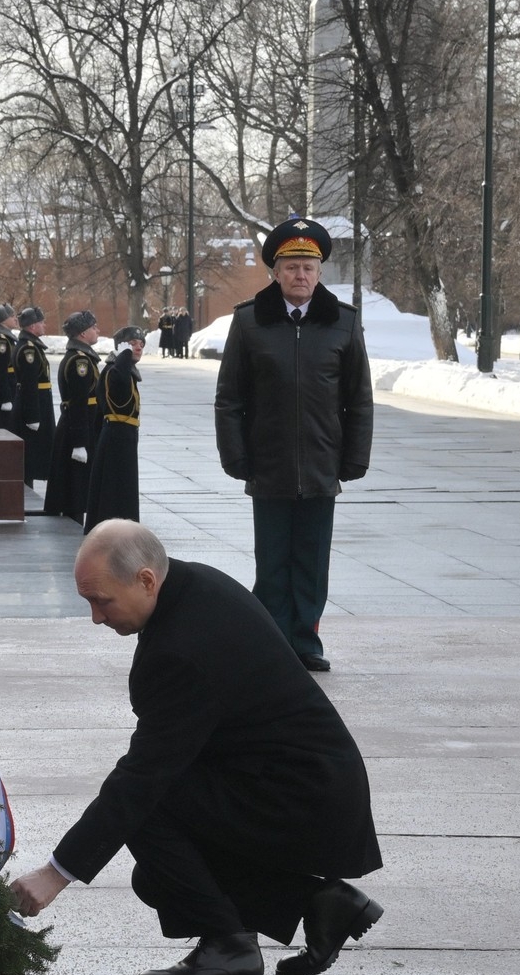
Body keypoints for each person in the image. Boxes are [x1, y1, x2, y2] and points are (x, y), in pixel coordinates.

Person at [11, 520, 383, 975]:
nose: (96, 618)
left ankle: (230, 950)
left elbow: (143, 779)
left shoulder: (181, 648)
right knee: (161, 878)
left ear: (146, 580)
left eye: (101, 600)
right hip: (301, 779)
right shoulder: (194, 584)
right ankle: (316, 904)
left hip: (302, 796)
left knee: (149, 805)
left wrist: (55, 873)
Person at [213, 216, 372, 673]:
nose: (300, 275)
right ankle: (273, 641)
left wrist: (355, 457)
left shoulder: (343, 323)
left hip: (322, 465)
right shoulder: (249, 322)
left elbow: (358, 398)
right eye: (291, 267)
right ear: (276, 273)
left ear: (319, 272)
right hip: (270, 465)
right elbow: (230, 398)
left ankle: (306, 641)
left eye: (308, 266)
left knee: (312, 561)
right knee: (273, 561)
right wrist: (237, 456)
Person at [44, 309, 103, 523]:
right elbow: (79, 403)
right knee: (76, 484)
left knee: (75, 482)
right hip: (78, 427)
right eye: (94, 328)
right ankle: (73, 524)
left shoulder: (83, 358)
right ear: (82, 334)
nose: (98, 331)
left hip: (78, 425)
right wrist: (80, 442)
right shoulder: (81, 362)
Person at [85, 326, 143, 529]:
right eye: (133, 344)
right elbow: (119, 385)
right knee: (115, 490)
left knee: (123, 490)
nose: (138, 348)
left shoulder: (123, 370)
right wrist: (124, 356)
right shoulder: (115, 371)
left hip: (122, 437)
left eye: (141, 344)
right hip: (117, 438)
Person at [10, 305, 55, 487]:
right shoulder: (29, 349)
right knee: (30, 454)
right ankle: (26, 491)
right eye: (41, 322)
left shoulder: (32, 346)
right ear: (32, 327)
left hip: (38, 403)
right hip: (33, 407)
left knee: (33, 453)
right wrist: (33, 416)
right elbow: (29, 384)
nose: (44, 325)